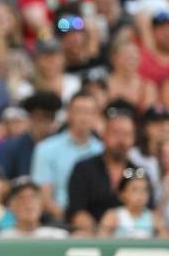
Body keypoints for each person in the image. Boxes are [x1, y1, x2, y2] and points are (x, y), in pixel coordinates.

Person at [67, 106, 140, 234]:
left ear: (134, 139)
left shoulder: (136, 173)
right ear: (104, 135)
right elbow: (77, 210)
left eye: (127, 134)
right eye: (116, 133)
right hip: (91, 238)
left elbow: (147, 212)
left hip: (130, 237)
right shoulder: (84, 168)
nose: (121, 140)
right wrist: (99, 234)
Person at [31, 91, 103, 221]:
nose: (84, 117)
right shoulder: (46, 149)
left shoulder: (103, 150)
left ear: (96, 116)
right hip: (59, 222)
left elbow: (129, 174)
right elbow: (43, 198)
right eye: (79, 111)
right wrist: (73, 219)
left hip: (100, 224)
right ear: (68, 114)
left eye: (89, 112)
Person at [0, 91, 62, 179]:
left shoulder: (59, 146)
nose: (42, 123)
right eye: (38, 118)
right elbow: (3, 179)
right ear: (30, 118)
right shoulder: (13, 147)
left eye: (48, 118)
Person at [98, 168, 168, 238]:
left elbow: (165, 242)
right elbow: (101, 240)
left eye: (144, 190)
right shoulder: (113, 216)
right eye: (135, 190)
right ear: (122, 194)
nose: (141, 194)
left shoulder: (154, 218)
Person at [0, 177, 69, 238]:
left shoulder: (58, 236)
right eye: (21, 198)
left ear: (41, 204)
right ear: (10, 206)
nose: (28, 203)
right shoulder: (1, 238)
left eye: (33, 197)